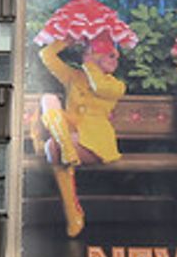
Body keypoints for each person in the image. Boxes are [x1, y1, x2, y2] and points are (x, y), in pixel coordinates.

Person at [36, 32, 126, 237]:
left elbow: (98, 86)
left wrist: (89, 64)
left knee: (52, 148)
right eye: (110, 54)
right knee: (48, 99)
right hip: (70, 131)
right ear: (92, 54)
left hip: (97, 139)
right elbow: (46, 55)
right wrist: (68, 39)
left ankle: (73, 213)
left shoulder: (116, 85)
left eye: (115, 55)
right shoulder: (73, 77)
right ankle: (67, 150)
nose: (116, 58)